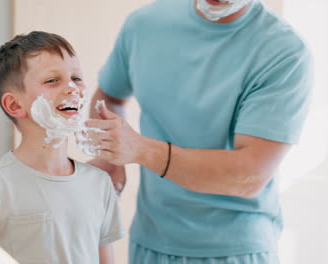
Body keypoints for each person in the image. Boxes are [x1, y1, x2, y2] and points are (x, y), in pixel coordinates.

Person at [85, 0, 313, 263]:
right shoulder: (144, 25)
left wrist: (138, 149)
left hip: (234, 250)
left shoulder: (284, 52)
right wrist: (108, 156)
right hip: (150, 241)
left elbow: (249, 175)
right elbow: (109, 97)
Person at [0, 31, 124, 264]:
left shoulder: (99, 183)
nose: (72, 88)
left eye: (76, 78)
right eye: (52, 81)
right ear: (14, 105)